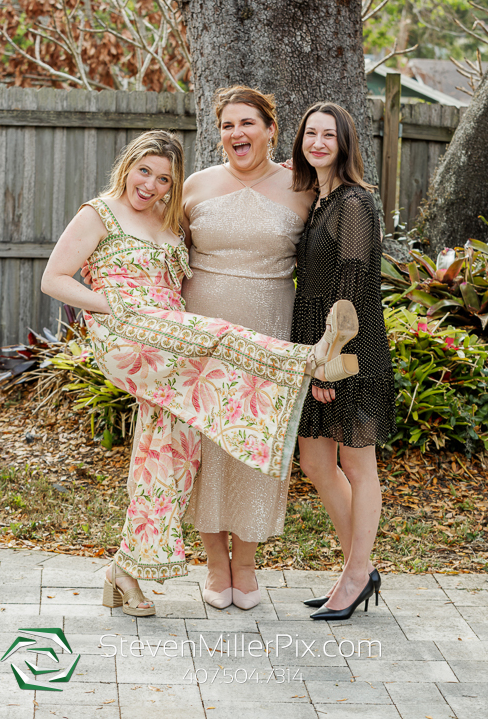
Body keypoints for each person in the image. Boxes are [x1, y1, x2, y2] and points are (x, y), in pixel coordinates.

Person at [41, 130, 345, 617]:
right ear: (127, 166)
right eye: (144, 171)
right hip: (129, 335)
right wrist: (114, 306)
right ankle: (309, 360)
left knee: (169, 456)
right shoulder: (98, 213)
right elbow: (53, 279)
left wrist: (293, 173)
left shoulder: (166, 220)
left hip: (170, 342)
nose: (150, 185)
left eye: (164, 179)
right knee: (221, 336)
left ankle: (124, 571)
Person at [182, 86, 314, 610]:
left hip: (269, 337)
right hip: (202, 338)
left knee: (256, 444)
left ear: (270, 130)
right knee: (206, 446)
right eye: (227, 125)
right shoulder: (195, 185)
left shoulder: (303, 188)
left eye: (247, 123)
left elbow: (324, 267)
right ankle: (216, 565)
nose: (236, 133)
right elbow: (165, 253)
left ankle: (247, 565)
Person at [290, 103, 396, 622]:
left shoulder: (354, 202)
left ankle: (355, 575)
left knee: (356, 464)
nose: (317, 142)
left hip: (347, 348)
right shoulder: (319, 199)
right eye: (310, 133)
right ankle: (361, 568)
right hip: (316, 343)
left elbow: (351, 286)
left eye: (328, 135)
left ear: (345, 143)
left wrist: (329, 361)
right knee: (315, 462)